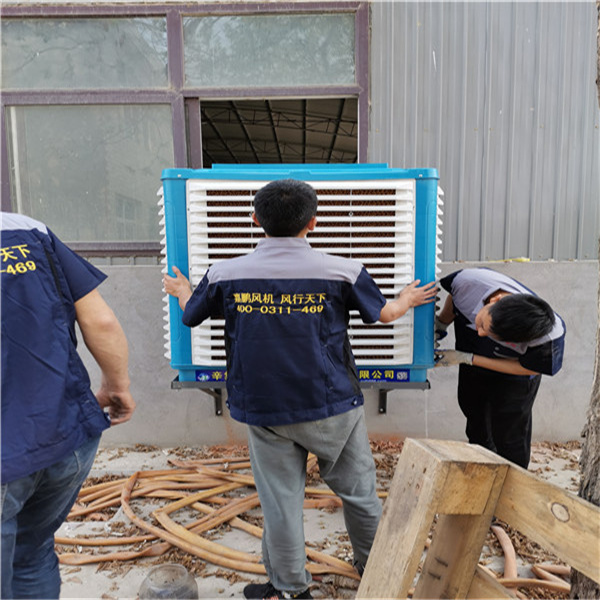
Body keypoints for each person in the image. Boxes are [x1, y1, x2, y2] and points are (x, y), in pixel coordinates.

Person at [164, 178, 437, 600]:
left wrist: (183, 290)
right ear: (312, 222)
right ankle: (379, 573)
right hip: (332, 405)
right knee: (360, 494)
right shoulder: (343, 270)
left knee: (281, 503)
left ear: (256, 220)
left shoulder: (224, 273)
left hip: (263, 408)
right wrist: (406, 299)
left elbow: (190, 316)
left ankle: (290, 589)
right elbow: (384, 315)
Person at [1, 212, 136, 600]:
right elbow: (101, 321)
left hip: (8, 452)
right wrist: (117, 386)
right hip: (67, 435)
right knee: (32, 554)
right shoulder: (26, 230)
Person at [434, 267, 565, 469]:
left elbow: (529, 368)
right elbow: (457, 298)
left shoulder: (548, 337)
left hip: (515, 375)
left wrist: (469, 358)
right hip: (473, 358)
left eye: (488, 332)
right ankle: (483, 470)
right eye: (481, 323)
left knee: (510, 435)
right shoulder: (468, 282)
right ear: (495, 300)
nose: (480, 332)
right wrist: (441, 324)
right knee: (475, 418)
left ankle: (513, 478)